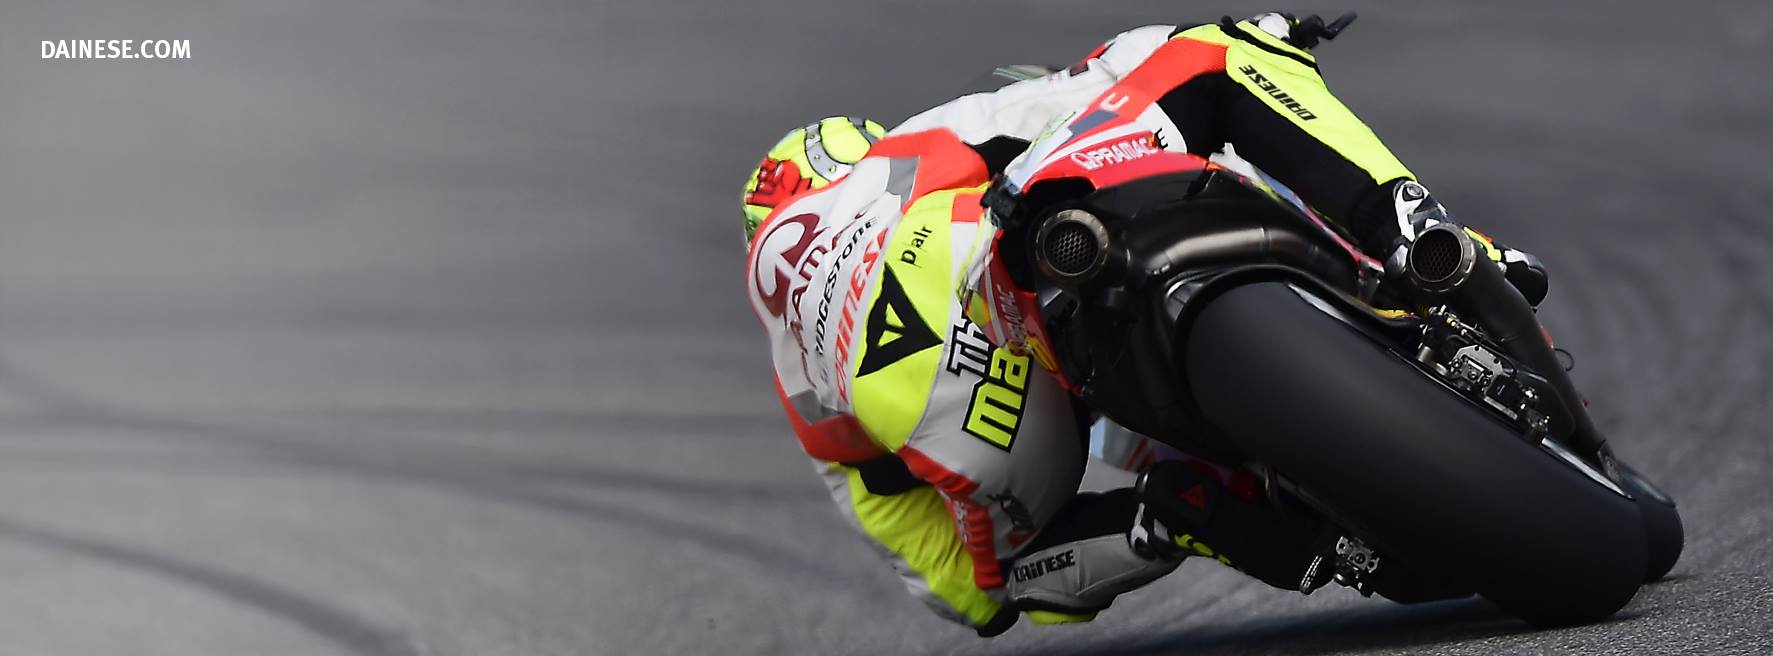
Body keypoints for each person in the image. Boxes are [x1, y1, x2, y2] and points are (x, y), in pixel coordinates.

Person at [740, 13, 1545, 637]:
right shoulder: (894, 161)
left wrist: (999, 571)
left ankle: (1191, 519)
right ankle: (1433, 245)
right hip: (977, 267)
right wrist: (1263, 35)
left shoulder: (797, 372)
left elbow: (953, 586)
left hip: (958, 417)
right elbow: (1079, 86)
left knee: (999, 577)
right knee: (1215, 54)